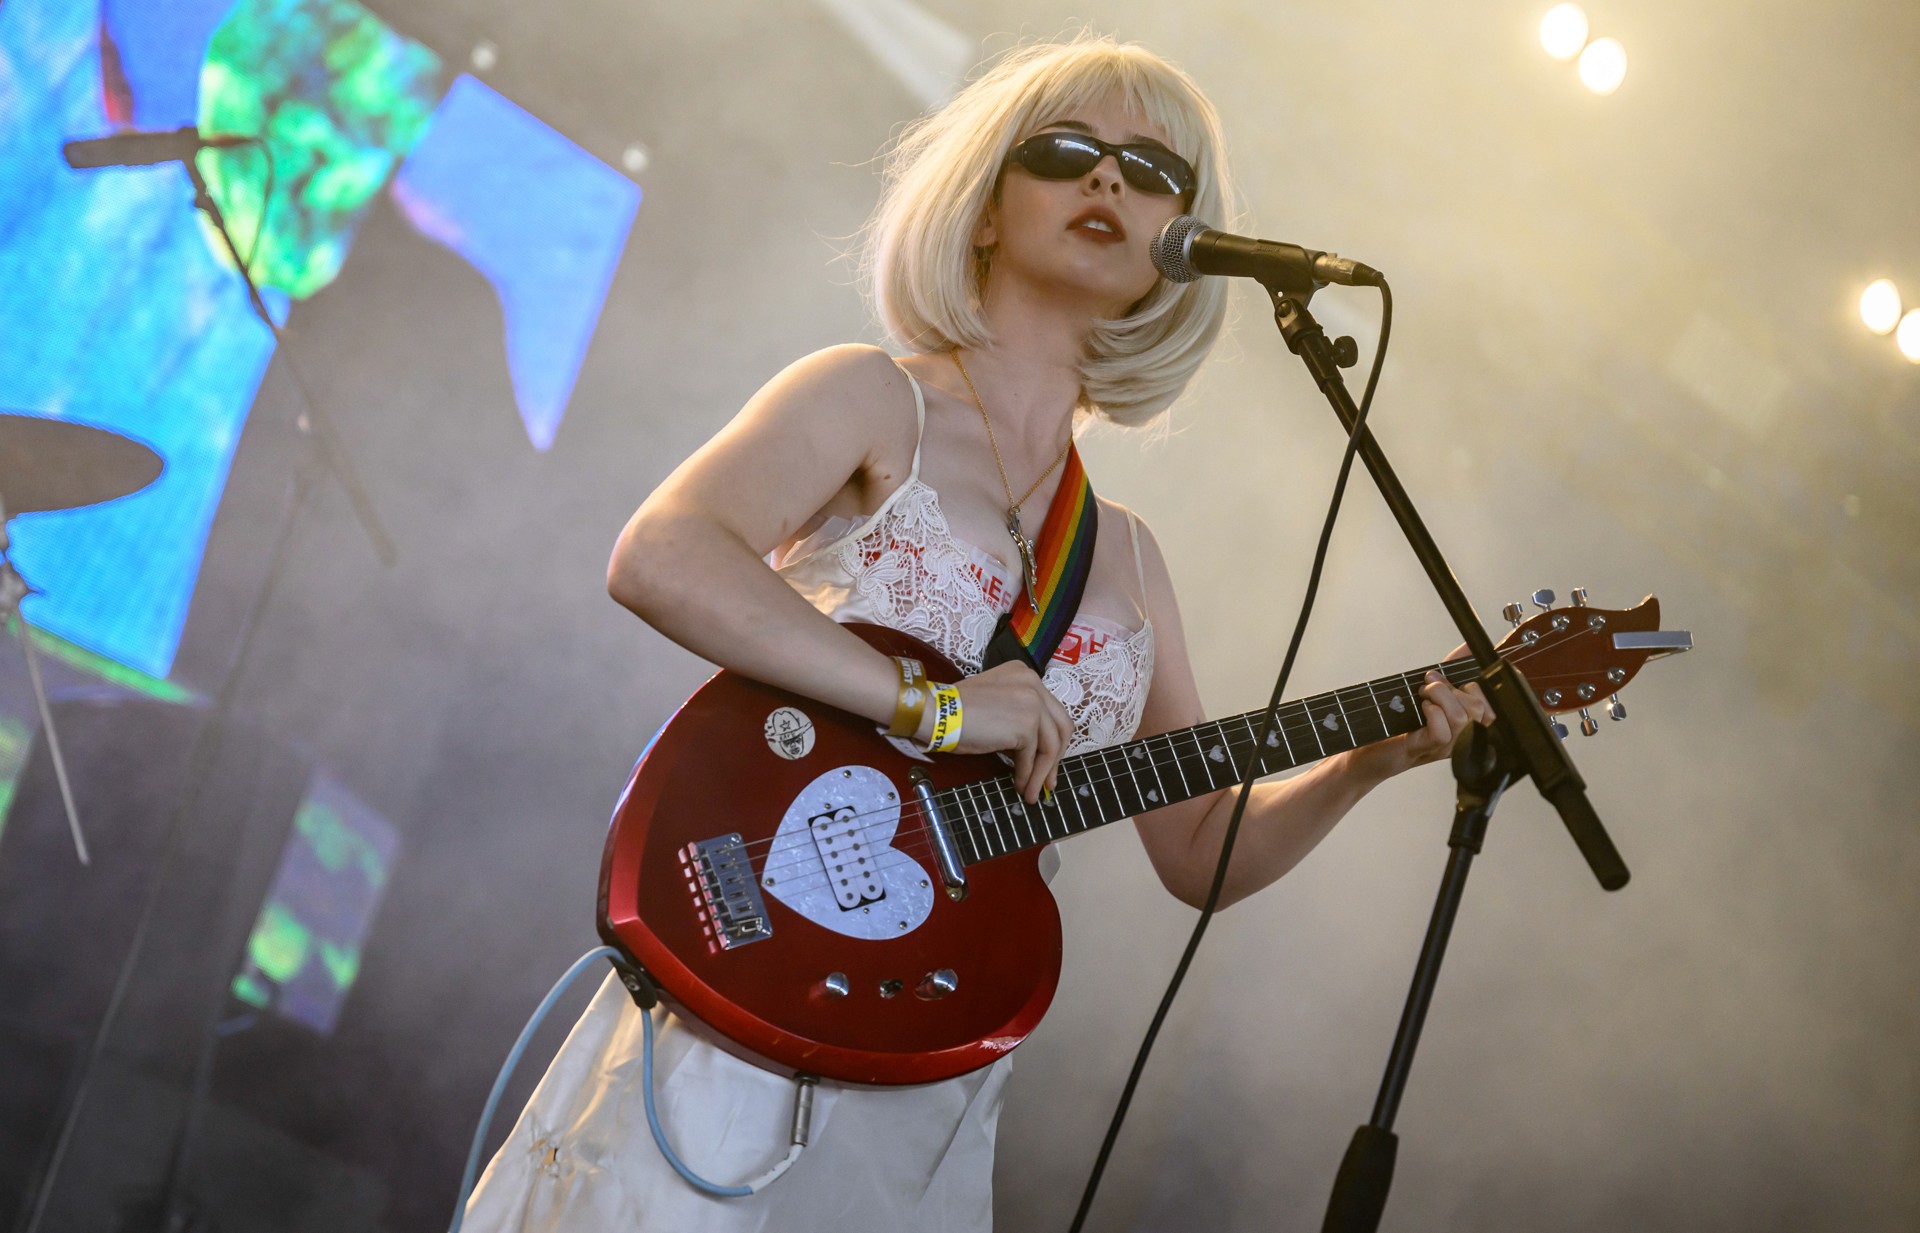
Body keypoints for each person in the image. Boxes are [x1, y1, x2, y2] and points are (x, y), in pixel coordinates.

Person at [462, 33, 1490, 1233]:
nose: (1110, 179)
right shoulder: (869, 398)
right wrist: (936, 708)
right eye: (1068, 150)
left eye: (1155, 171)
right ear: (987, 208)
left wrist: (1366, 759)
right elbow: (661, 557)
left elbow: (1199, 849)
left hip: (934, 1063)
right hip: (750, 975)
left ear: (1175, 250)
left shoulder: (1132, 560)